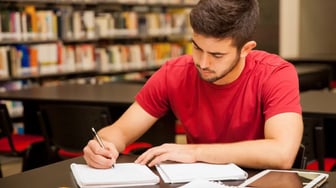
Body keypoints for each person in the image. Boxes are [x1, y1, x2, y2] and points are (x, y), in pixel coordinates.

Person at [83, 0, 303, 170]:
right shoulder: (174, 73)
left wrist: (195, 152)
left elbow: (282, 154)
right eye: (197, 47)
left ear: (246, 49)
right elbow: (120, 131)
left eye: (217, 55)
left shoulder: (275, 73)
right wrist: (102, 145)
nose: (203, 63)